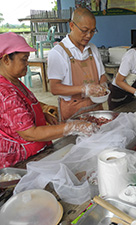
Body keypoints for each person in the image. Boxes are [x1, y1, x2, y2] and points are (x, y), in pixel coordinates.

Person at [0, 32, 98, 169]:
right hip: (21, 162)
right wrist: (73, 126)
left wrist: (41, 114)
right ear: (6, 60)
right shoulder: (5, 92)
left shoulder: (14, 81)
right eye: (23, 59)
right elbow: (29, 133)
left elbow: (20, 109)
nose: (27, 64)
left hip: (37, 150)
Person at [48, 7, 107, 121]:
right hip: (73, 112)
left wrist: (103, 88)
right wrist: (84, 89)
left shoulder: (92, 49)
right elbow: (55, 88)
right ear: (72, 26)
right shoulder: (58, 53)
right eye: (84, 31)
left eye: (92, 31)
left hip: (96, 108)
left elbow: (102, 76)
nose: (89, 35)